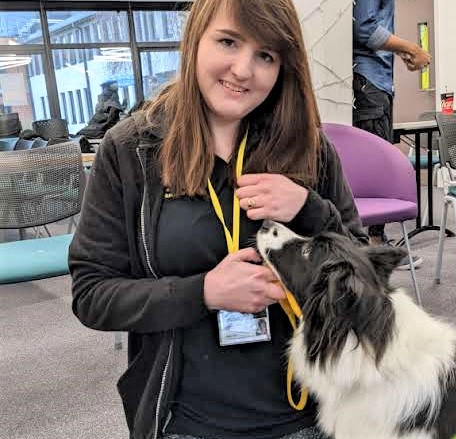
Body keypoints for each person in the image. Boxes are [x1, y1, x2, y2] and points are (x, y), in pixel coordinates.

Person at [69, 1, 367, 438]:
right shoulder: (130, 150)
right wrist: (203, 292)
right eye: (228, 42)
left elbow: (365, 278)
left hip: (317, 415)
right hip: (187, 421)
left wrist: (311, 211)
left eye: (265, 55)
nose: (243, 70)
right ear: (194, 40)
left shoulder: (309, 146)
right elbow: (92, 294)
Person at [353, 0, 431, 270]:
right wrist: (411, 48)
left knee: (376, 168)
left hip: (376, 82)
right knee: (373, 170)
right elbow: (365, 30)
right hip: (369, 82)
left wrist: (402, 52)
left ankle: (376, 244)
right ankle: (368, 249)